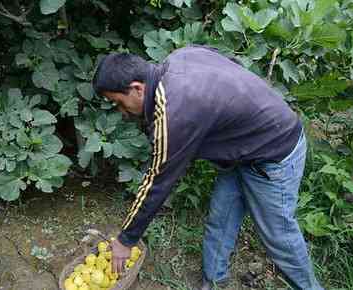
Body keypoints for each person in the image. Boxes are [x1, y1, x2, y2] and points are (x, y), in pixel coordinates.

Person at [92, 45, 324, 290]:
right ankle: (214, 281)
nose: (121, 111)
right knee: (221, 217)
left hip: (275, 152)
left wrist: (126, 240)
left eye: (118, 102)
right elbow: (228, 59)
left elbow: (156, 182)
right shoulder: (180, 57)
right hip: (243, 150)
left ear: (137, 89)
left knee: (280, 239)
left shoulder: (173, 112)